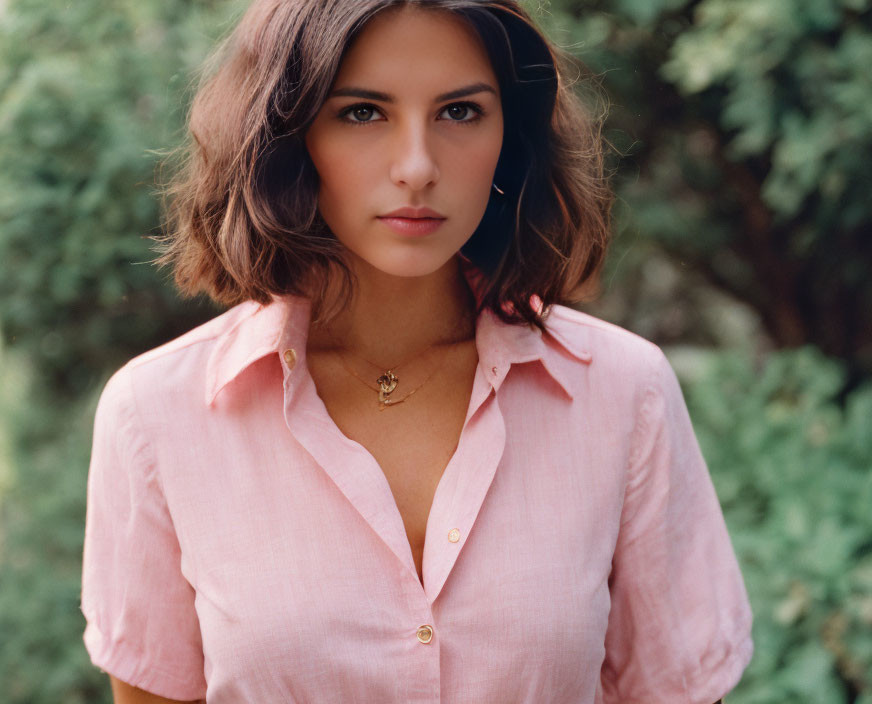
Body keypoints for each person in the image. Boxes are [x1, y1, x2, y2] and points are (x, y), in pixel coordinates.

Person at [80, 1, 754, 702]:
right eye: (363, 112)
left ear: (509, 139)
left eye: (460, 112)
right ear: (288, 136)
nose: (417, 166)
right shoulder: (155, 416)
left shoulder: (622, 392)